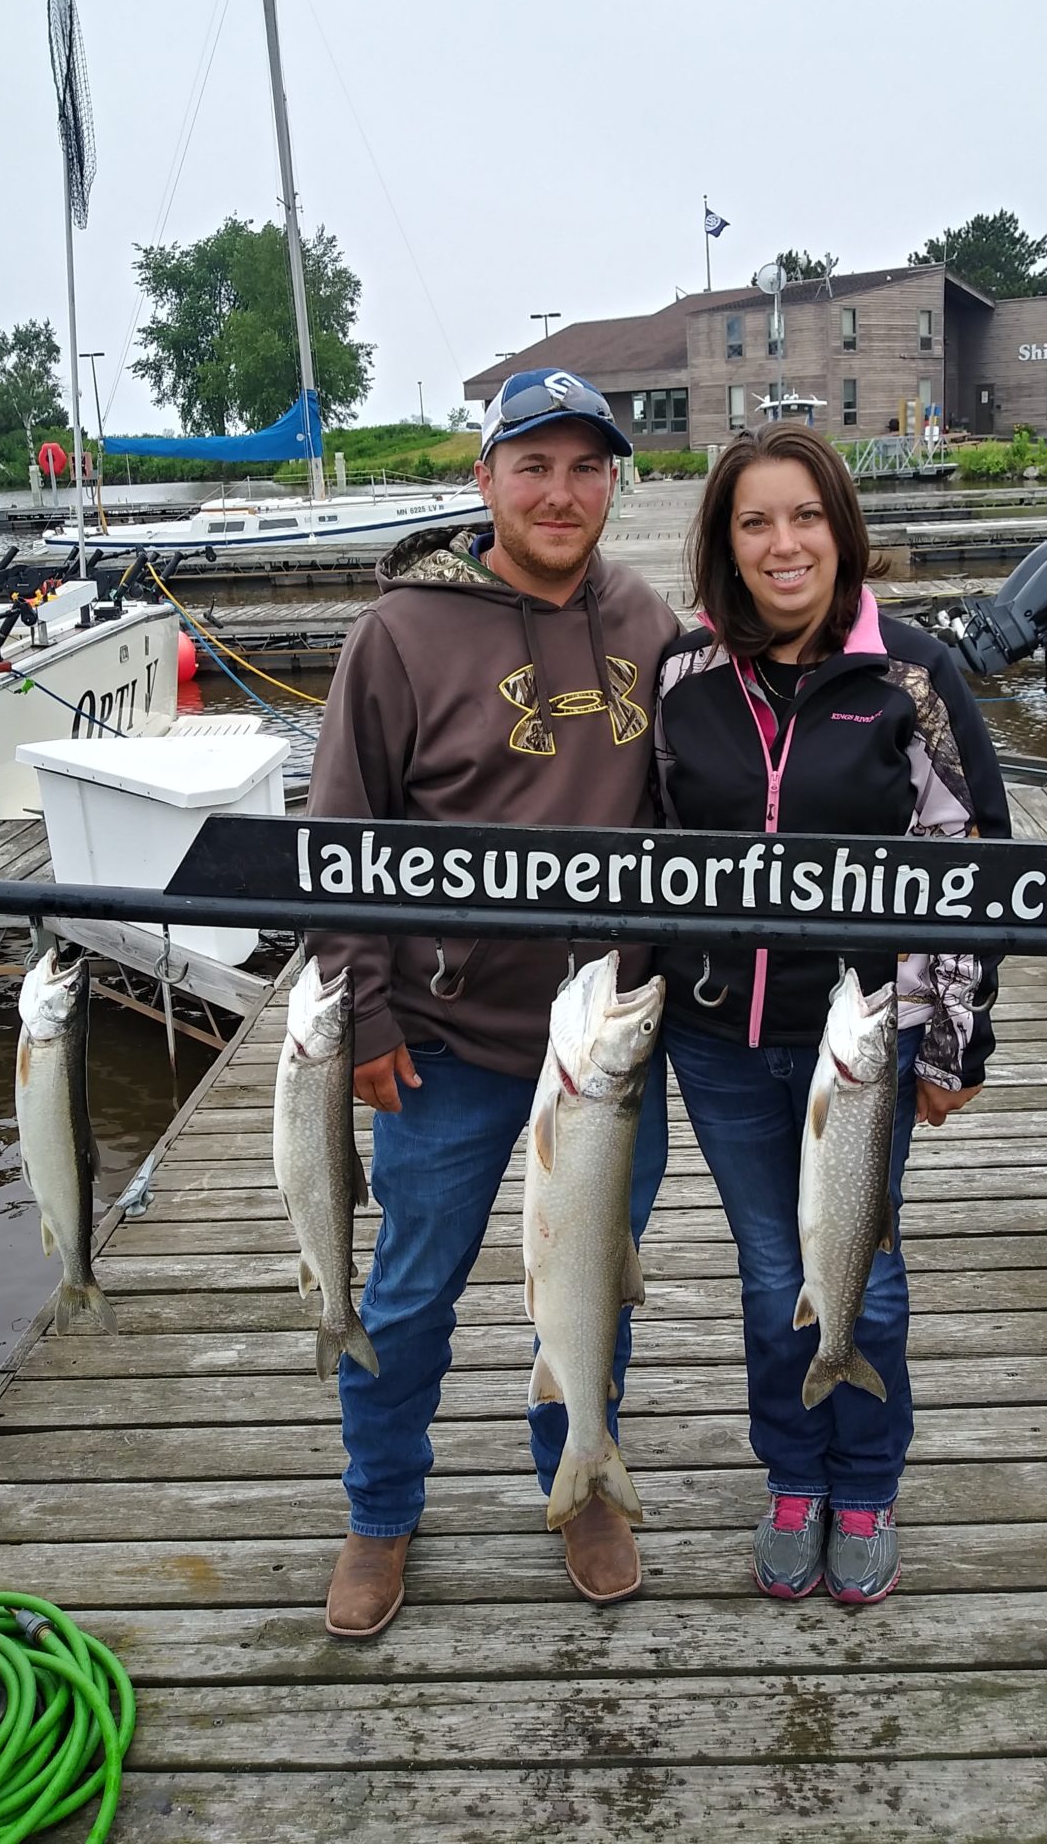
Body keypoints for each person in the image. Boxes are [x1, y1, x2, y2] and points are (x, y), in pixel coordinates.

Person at [306, 369, 679, 1639]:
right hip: (449, 1044)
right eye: (535, 466)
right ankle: (380, 1508)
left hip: (610, 1048)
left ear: (612, 481)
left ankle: (579, 1475)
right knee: (410, 1290)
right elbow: (338, 837)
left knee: (598, 1276)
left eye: (587, 467)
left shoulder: (647, 620)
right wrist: (362, 1012)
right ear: (486, 480)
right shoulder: (400, 634)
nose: (562, 492)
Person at [654, 421, 1010, 1605]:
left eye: (805, 514)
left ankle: (868, 1477)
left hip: (863, 1045)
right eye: (755, 520)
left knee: (871, 1273)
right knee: (770, 1274)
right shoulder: (682, 674)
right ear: (725, 542)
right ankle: (792, 1471)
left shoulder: (913, 672)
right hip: (720, 1037)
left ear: (841, 528)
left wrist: (957, 1036)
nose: (783, 541)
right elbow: (642, 853)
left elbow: (972, 860)